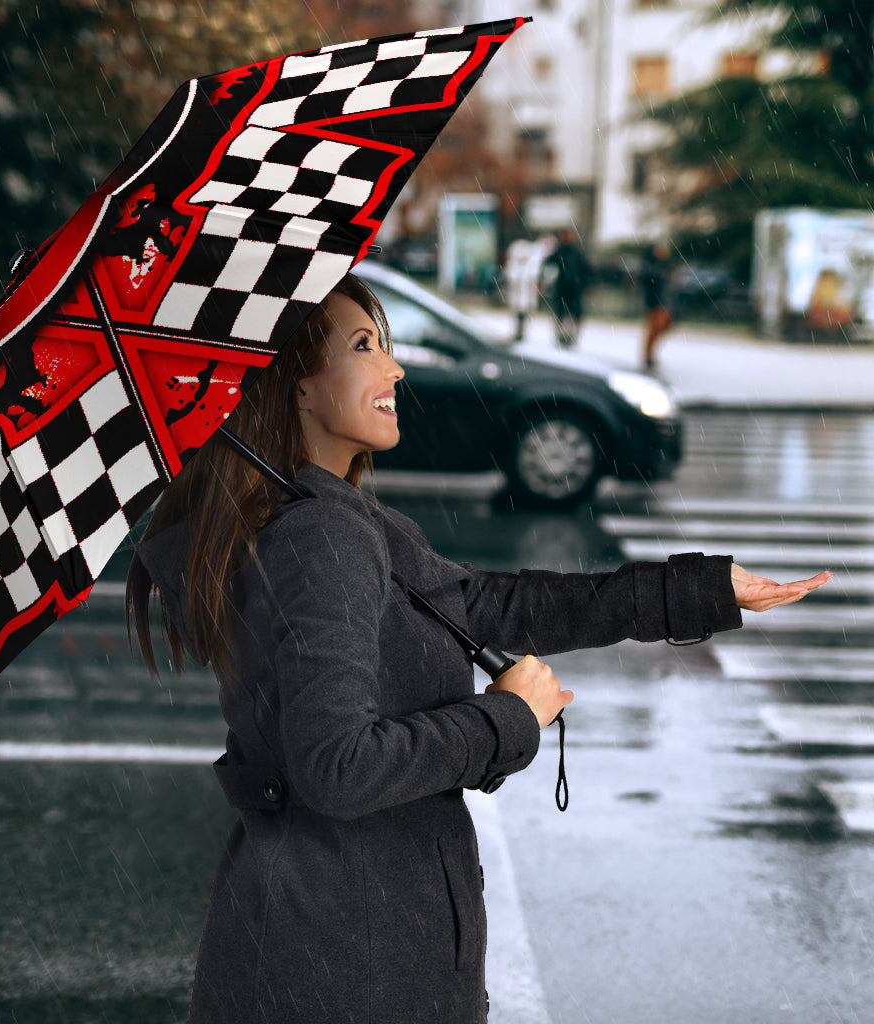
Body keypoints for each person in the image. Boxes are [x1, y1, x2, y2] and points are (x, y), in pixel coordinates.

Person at [126, 273, 830, 1024]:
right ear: (297, 386)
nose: (394, 368)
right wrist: (504, 719)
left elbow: (494, 605)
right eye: (365, 347)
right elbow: (337, 767)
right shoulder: (319, 538)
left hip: (337, 945)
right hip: (345, 964)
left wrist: (699, 590)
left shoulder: (336, 521)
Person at [540, 227, 591, 348]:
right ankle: (561, 336)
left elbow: (585, 270)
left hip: (575, 289)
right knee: (561, 313)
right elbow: (547, 265)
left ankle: (570, 337)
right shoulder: (559, 252)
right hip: (562, 288)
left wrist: (586, 285)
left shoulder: (577, 253)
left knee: (572, 315)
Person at [641, 242, 674, 370]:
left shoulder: (664, 266)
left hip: (663, 302)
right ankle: (648, 355)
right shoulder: (651, 267)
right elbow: (650, 283)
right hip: (655, 303)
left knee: (662, 327)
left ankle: (650, 354)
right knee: (654, 329)